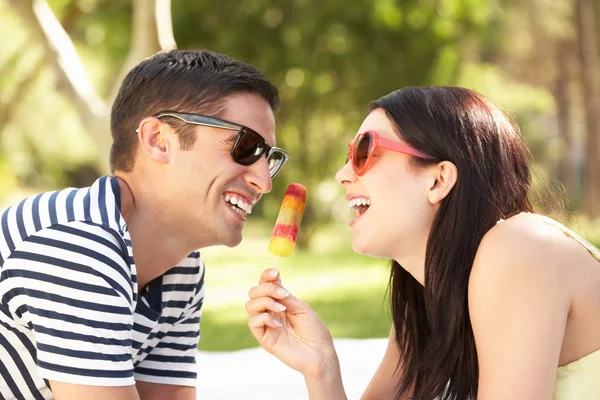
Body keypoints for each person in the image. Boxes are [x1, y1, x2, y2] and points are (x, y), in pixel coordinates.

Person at [246, 86, 600, 400]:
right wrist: (320, 368)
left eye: (364, 151)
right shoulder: (427, 301)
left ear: (438, 179)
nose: (342, 174)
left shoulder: (521, 247)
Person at [0, 49, 287, 400]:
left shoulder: (182, 267)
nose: (264, 181)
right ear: (157, 140)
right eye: (244, 146)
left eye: (269, 158)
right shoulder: (77, 243)